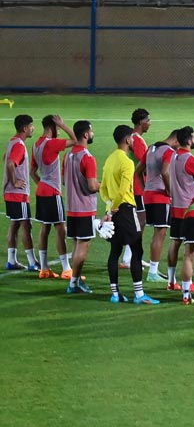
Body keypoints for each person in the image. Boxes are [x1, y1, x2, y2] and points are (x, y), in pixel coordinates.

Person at [99, 125, 159, 305]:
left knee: (115, 251)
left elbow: (103, 189)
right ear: (127, 140)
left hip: (113, 209)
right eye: (131, 138)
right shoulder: (127, 162)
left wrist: (109, 209)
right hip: (125, 209)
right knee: (137, 249)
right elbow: (123, 190)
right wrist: (115, 208)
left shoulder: (110, 159)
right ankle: (139, 295)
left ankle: (115, 294)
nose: (133, 141)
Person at [31, 114, 76, 279]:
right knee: (60, 229)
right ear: (52, 127)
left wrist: (43, 184)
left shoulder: (36, 144)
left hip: (42, 190)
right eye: (57, 128)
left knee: (45, 229)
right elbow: (76, 140)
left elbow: (32, 171)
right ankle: (66, 269)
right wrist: (63, 124)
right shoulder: (51, 144)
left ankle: (44, 269)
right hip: (52, 192)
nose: (59, 131)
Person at [166, 126, 194, 294]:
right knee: (190, 248)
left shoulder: (173, 156)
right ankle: (188, 283)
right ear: (189, 140)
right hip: (188, 209)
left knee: (175, 242)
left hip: (175, 206)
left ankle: (171, 281)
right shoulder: (192, 160)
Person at [136, 128, 178, 283]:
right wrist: (170, 191)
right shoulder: (169, 151)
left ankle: (143, 265)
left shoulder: (151, 148)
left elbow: (137, 171)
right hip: (161, 197)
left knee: (153, 232)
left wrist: (145, 188)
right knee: (160, 233)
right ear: (176, 141)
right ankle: (153, 272)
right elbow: (165, 172)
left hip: (148, 195)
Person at [64, 120, 100, 294]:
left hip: (71, 207)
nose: (92, 134)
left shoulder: (68, 155)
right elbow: (92, 186)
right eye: (91, 131)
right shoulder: (88, 157)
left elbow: (65, 181)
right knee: (83, 247)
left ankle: (75, 281)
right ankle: (74, 284)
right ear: (85, 134)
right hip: (85, 208)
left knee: (76, 245)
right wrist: (105, 186)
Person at [4, 114, 38, 271]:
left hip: (9, 193)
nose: (33, 128)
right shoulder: (19, 145)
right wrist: (14, 181)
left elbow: (5, 158)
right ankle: (32, 262)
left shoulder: (12, 142)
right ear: (25, 128)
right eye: (31, 126)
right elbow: (10, 163)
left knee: (15, 224)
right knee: (26, 225)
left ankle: (11, 260)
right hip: (18, 194)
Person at [122, 108, 151, 268]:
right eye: (148, 121)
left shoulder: (133, 137)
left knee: (138, 221)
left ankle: (130, 256)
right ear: (140, 122)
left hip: (133, 184)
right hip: (138, 186)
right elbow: (144, 163)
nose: (150, 124)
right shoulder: (137, 140)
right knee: (140, 221)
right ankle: (130, 257)